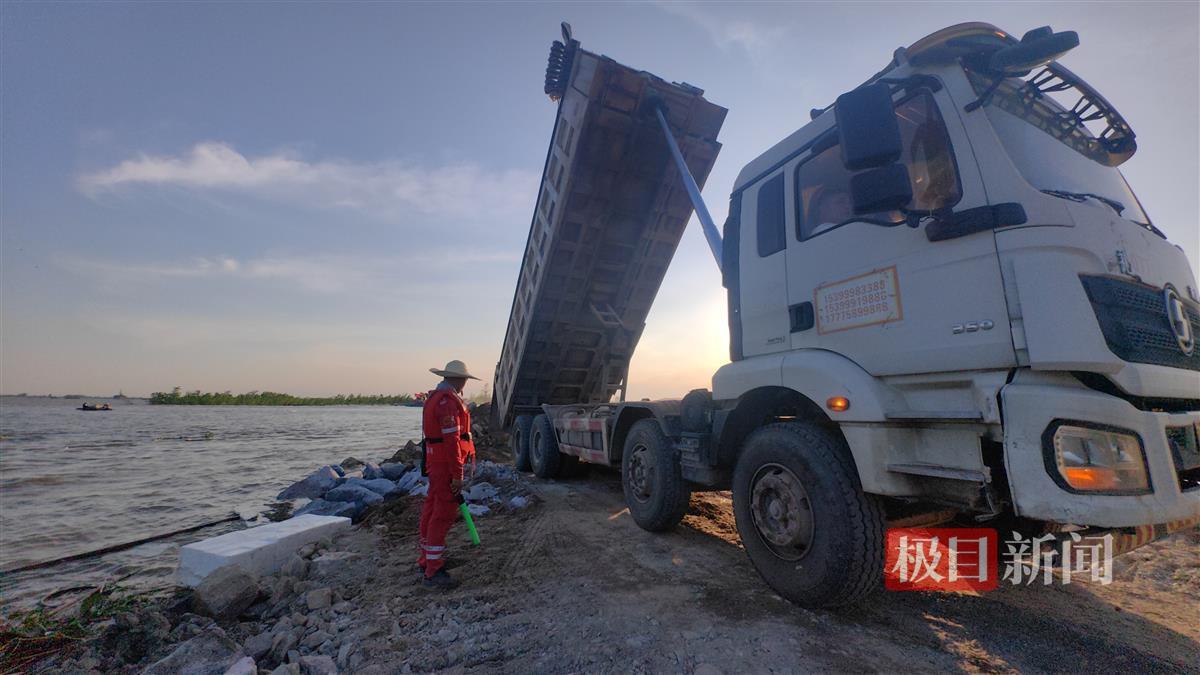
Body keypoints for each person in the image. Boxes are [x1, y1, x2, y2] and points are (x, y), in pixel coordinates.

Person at [417, 359, 479, 589]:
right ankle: (433, 571)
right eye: (464, 379)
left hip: (436, 463)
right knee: (442, 514)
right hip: (444, 465)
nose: (465, 383)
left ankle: (426, 560)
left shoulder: (435, 399)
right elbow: (452, 441)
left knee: (432, 509)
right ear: (457, 379)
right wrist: (458, 474)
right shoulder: (447, 404)